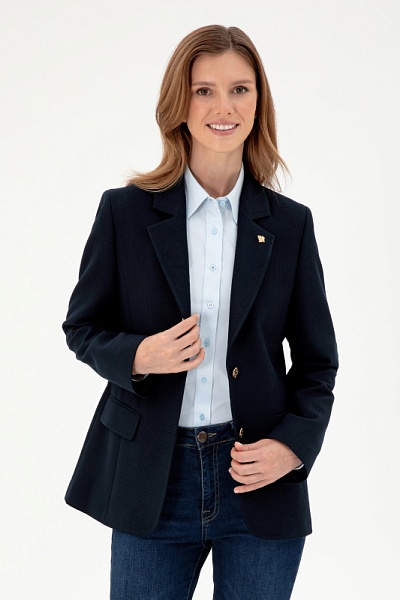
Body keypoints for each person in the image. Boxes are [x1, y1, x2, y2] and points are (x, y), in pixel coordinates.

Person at [63, 24, 338, 600]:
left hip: (258, 480)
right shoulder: (124, 213)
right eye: (204, 90)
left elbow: (317, 363)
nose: (223, 107)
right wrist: (139, 355)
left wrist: (293, 446)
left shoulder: (290, 225)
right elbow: (82, 327)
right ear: (179, 104)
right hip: (152, 479)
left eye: (240, 89)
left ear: (258, 102)